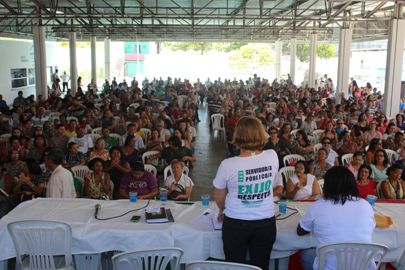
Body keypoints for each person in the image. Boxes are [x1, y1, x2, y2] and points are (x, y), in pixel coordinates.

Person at [213, 116, 278, 270]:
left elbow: (218, 196)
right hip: (265, 222)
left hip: (235, 222)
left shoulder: (228, 164)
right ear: (262, 134)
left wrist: (223, 209)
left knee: (234, 265)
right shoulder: (272, 156)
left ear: (237, 135)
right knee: (261, 265)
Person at [297, 166, 375, 270]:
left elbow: (300, 231)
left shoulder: (317, 206)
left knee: (306, 252)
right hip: (363, 267)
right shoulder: (366, 205)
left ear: (327, 185)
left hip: (328, 267)